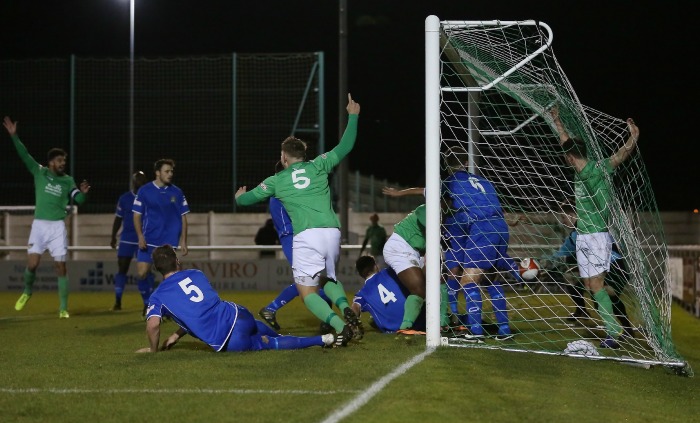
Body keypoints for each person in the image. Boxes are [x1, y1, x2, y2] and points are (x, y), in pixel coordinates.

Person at [235, 93, 362, 347]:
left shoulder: (277, 180)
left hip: (306, 235)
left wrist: (239, 196)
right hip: (332, 232)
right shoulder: (319, 165)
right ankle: (346, 309)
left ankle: (339, 326)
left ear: (284, 157)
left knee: (307, 293)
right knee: (329, 280)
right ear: (304, 154)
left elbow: (245, 200)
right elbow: (345, 147)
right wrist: (354, 116)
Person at [551, 104, 639, 349]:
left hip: (595, 238)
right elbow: (621, 155)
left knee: (597, 285)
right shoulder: (601, 167)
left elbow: (567, 145)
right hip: (585, 238)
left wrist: (558, 123)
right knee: (591, 286)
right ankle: (613, 328)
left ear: (572, 157)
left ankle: (613, 332)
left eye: (567, 156)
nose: (566, 159)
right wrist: (633, 137)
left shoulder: (587, 170)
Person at [135, 245, 336, 353]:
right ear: (177, 261)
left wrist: (153, 350)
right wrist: (177, 335)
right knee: (272, 335)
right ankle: (308, 338)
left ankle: (322, 340)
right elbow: (200, 307)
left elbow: (153, 326)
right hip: (238, 313)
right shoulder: (195, 274)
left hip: (228, 337)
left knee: (269, 345)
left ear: (157, 268)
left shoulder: (158, 296)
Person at [3, 116, 91, 318]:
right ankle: (27, 291)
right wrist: (14, 136)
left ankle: (62, 308)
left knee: (61, 267)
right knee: (32, 265)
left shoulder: (68, 181)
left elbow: (79, 201)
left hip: (57, 227)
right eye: (60, 160)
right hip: (40, 226)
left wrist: (83, 193)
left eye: (64, 161)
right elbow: (24, 155)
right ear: (51, 162)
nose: (63, 163)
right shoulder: (39, 172)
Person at [441, 146, 518, 341]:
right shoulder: (484, 182)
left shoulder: (450, 182)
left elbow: (430, 194)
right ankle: (504, 330)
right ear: (466, 163)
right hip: (500, 226)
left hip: (481, 229)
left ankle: (475, 332)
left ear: (445, 163)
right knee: (491, 279)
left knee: (468, 280)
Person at [543, 203, 634, 337]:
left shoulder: (592, 227)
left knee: (606, 297)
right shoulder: (574, 236)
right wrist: (541, 263)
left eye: (563, 217)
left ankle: (620, 330)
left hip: (615, 265)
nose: (562, 221)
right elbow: (561, 254)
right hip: (602, 270)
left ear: (572, 215)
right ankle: (584, 310)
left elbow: (613, 243)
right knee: (600, 298)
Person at [257, 197, 333, 334]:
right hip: (294, 240)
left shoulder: (280, 191)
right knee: (311, 283)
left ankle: (271, 309)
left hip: (295, 239)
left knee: (311, 281)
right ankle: (329, 320)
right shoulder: (282, 192)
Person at [133, 158, 190, 316]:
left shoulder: (177, 192)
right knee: (141, 273)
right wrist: (140, 236)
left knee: (169, 278)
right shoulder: (144, 191)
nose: (170, 174)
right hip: (149, 239)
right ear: (157, 173)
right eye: (167, 171)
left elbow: (184, 217)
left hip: (168, 243)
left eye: (171, 171)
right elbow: (136, 215)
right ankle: (148, 303)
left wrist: (183, 241)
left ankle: (160, 307)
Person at [351, 255, 426, 333]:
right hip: (420, 321)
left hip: (394, 330)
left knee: (373, 319)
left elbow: (355, 307)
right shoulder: (391, 272)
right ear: (375, 266)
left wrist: (352, 324)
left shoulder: (362, 294)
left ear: (360, 274)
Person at [109, 170, 149, 311]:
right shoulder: (125, 198)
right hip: (126, 239)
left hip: (143, 240)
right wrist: (113, 236)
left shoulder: (149, 198)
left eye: (142, 179)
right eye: (137, 179)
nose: (140, 182)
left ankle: (147, 303)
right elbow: (118, 218)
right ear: (133, 182)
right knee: (122, 269)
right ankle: (118, 301)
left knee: (145, 271)